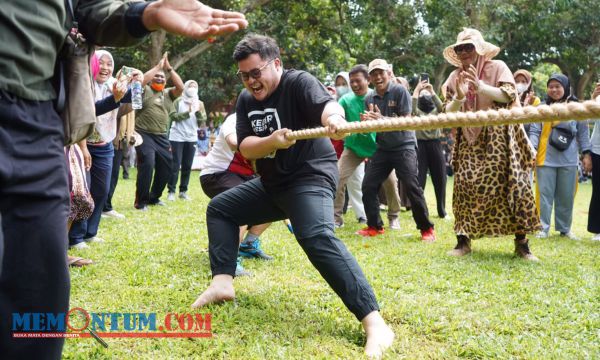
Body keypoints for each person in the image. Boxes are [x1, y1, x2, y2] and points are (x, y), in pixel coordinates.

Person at [0, 1, 246, 358]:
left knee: (39, 291)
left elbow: (87, 11)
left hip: (37, 119)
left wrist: (145, 14)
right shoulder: (146, 90)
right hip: (77, 134)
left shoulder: (165, 97)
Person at [192, 34, 394, 358]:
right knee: (221, 209)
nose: (251, 81)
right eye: (244, 75)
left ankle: (374, 323)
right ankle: (222, 282)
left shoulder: (298, 82)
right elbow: (245, 146)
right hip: (274, 183)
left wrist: (335, 121)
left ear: (276, 64)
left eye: (256, 73)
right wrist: (272, 141)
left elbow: (326, 107)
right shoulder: (246, 101)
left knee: (314, 235)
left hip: (310, 175)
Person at [441, 28, 540, 260]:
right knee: (464, 186)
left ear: (478, 49)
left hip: (500, 137)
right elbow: (446, 112)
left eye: (469, 47)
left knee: (514, 185)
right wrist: (459, 96)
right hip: (468, 138)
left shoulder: (498, 67)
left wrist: (480, 86)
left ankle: (522, 244)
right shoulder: (454, 76)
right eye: (460, 48)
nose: (464, 51)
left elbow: (509, 95)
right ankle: (463, 242)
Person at [358, 59, 436, 242]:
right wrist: (367, 124)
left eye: (381, 73)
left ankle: (426, 229)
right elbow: (373, 127)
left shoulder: (400, 91)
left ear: (388, 73)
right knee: (368, 185)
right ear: (370, 78)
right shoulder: (369, 98)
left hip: (404, 145)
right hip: (383, 148)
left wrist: (381, 119)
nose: (378, 77)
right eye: (374, 74)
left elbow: (406, 121)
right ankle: (374, 226)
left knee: (411, 185)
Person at [200, 112, 274, 276]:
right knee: (239, 207)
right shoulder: (235, 119)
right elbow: (233, 142)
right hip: (218, 174)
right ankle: (230, 260)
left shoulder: (269, 121)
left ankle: (248, 244)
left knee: (275, 197)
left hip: (246, 176)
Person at [69, 50, 129, 249]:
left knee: (101, 190)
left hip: (104, 145)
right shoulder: (83, 84)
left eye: (109, 63)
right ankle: (76, 237)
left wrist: (134, 82)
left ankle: (90, 232)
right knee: (82, 190)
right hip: (81, 144)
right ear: (92, 65)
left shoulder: (115, 85)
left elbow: (131, 102)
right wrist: (83, 148)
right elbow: (87, 113)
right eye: (100, 63)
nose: (104, 67)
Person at [334, 64, 401, 228]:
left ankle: (394, 217)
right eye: (352, 82)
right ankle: (335, 219)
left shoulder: (377, 97)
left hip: (379, 148)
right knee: (336, 178)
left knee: (391, 182)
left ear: (368, 80)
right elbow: (337, 116)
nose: (355, 85)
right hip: (354, 147)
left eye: (358, 81)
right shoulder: (345, 100)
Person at [528, 74, 591, 240]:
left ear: (566, 87)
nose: (554, 89)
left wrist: (586, 154)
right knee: (544, 196)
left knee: (566, 196)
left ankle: (565, 229)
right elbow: (535, 130)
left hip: (569, 160)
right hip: (544, 158)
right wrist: (532, 149)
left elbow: (583, 133)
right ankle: (542, 228)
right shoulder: (542, 107)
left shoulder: (576, 108)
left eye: (558, 86)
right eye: (551, 86)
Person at [134, 54, 184, 209]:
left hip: (161, 136)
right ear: (151, 79)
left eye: (162, 77)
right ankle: (140, 202)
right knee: (148, 165)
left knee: (167, 167)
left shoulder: (168, 94)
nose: (160, 78)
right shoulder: (145, 90)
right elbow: (140, 81)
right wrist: (157, 67)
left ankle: (153, 197)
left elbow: (181, 87)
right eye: (156, 76)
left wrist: (168, 68)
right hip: (143, 134)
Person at [412, 80, 448, 219]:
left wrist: (432, 91)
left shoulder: (436, 111)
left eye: (427, 93)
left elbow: (442, 107)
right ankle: (420, 210)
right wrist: (417, 91)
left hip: (435, 144)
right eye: (423, 93)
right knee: (419, 179)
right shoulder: (417, 111)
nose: (425, 94)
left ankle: (442, 210)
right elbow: (412, 108)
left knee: (440, 177)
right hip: (420, 145)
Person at [167, 80, 207, 201]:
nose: (192, 88)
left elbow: (202, 121)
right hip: (177, 136)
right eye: (190, 86)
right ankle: (171, 191)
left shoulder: (200, 103)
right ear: (185, 87)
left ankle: (183, 191)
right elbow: (173, 116)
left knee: (187, 165)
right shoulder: (178, 101)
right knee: (175, 164)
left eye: (195, 86)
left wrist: (198, 112)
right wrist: (188, 112)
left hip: (191, 137)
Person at [587, 82, 600, 241]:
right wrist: (594, 98)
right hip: (598, 149)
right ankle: (598, 229)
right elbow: (589, 118)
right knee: (598, 190)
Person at [513, 69, 541, 135]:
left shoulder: (534, 100)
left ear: (529, 83)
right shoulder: (507, 97)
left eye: (523, 81)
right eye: (517, 81)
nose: (520, 84)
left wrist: (526, 107)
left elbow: (534, 125)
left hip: (526, 135)